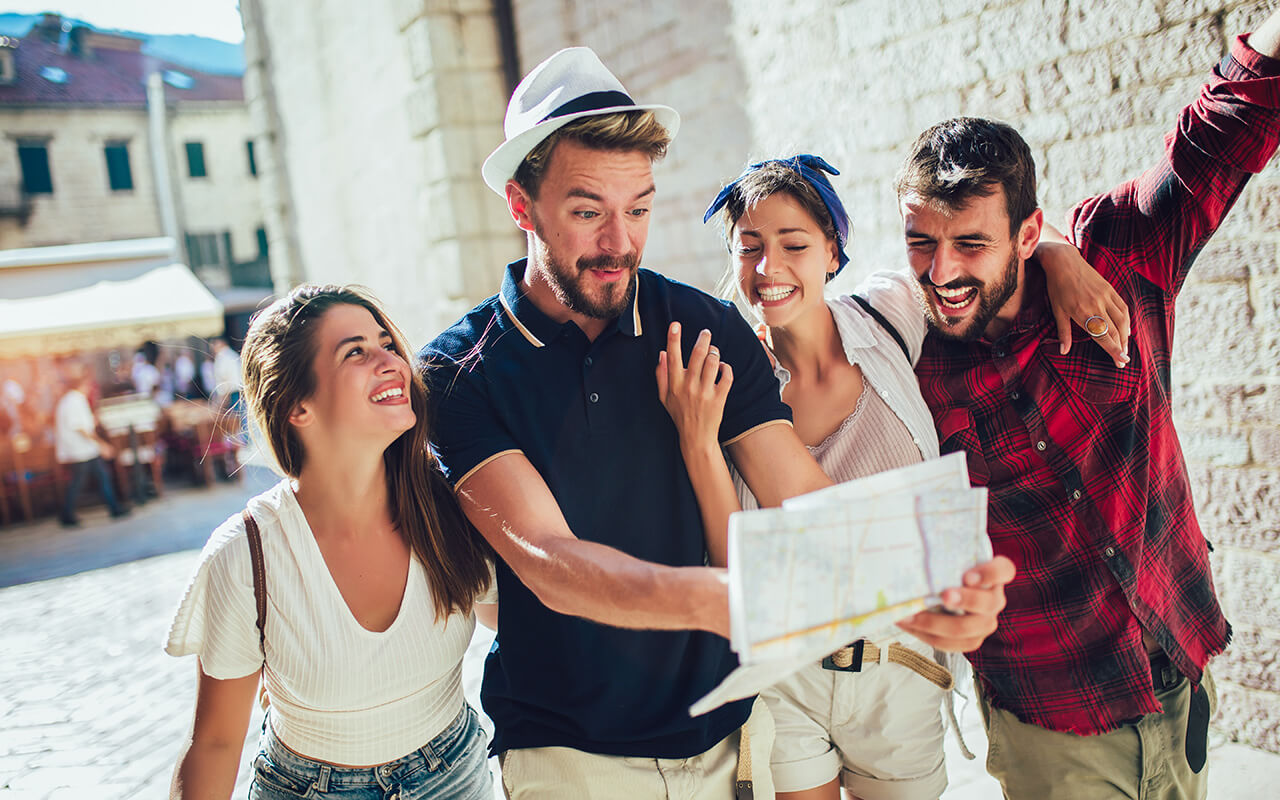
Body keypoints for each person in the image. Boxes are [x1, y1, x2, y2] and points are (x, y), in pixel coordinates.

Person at [421, 47, 1014, 799]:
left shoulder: (703, 326)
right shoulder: (457, 371)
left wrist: (923, 582)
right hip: (569, 757)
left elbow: (802, 497)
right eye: (586, 212)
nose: (619, 242)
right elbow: (551, 563)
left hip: (728, 745)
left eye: (637, 208)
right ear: (520, 205)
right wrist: (733, 599)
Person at [853, 13, 1280, 799]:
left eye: (970, 245)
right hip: (1053, 723)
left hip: (1178, 669)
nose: (941, 273)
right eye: (921, 242)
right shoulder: (903, 352)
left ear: (1028, 233)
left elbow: (1222, 131)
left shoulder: (1119, 258)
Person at [661, 155, 1125, 800]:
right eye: (749, 247)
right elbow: (730, 559)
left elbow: (977, 260)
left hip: (900, 664)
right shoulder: (727, 382)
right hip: (787, 674)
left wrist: (1055, 254)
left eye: (794, 244)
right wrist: (697, 439)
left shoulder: (888, 315)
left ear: (832, 252)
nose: (768, 269)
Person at [165, 285, 496, 799]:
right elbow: (214, 743)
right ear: (297, 406)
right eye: (356, 352)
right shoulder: (248, 553)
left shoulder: (452, 507)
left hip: (454, 777)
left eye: (387, 343)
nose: (391, 361)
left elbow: (528, 626)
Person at [54, 365, 126, 526]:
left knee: (100, 477)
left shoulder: (72, 400)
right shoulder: (74, 400)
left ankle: (114, 508)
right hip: (80, 449)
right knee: (82, 481)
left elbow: (82, 424)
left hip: (84, 449)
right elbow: (80, 428)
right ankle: (67, 514)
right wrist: (101, 445)